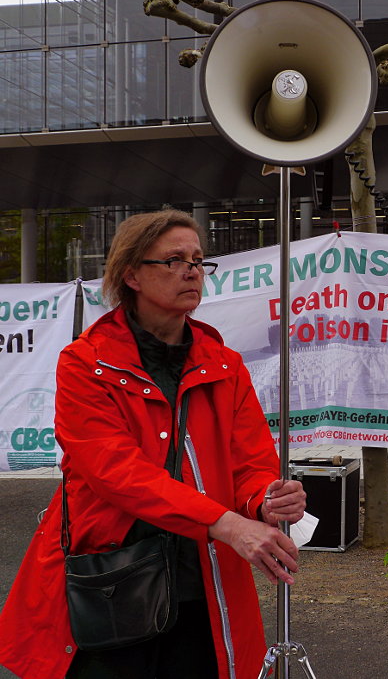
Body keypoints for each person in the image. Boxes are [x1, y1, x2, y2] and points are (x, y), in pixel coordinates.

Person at [0, 209, 306, 679]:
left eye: (200, 260)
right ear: (131, 275)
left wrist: (265, 497)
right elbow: (117, 472)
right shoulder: (84, 363)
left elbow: (250, 465)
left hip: (202, 586)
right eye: (174, 260)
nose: (191, 271)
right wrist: (225, 523)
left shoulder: (226, 364)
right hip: (110, 581)